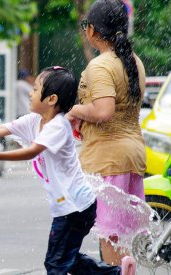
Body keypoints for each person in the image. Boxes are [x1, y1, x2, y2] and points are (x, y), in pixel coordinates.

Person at [0, 66, 134, 274]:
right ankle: (118, 273)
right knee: (65, 259)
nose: (29, 92)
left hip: (76, 208)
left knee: (55, 264)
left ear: (51, 99)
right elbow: (1, 129)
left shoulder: (57, 126)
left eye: (35, 89)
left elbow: (32, 151)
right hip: (73, 207)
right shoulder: (34, 121)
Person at [65, 0, 146, 267]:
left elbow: (103, 111)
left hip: (109, 158)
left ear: (91, 31)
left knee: (110, 236)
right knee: (120, 235)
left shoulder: (101, 66)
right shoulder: (134, 61)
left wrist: (74, 110)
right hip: (131, 155)